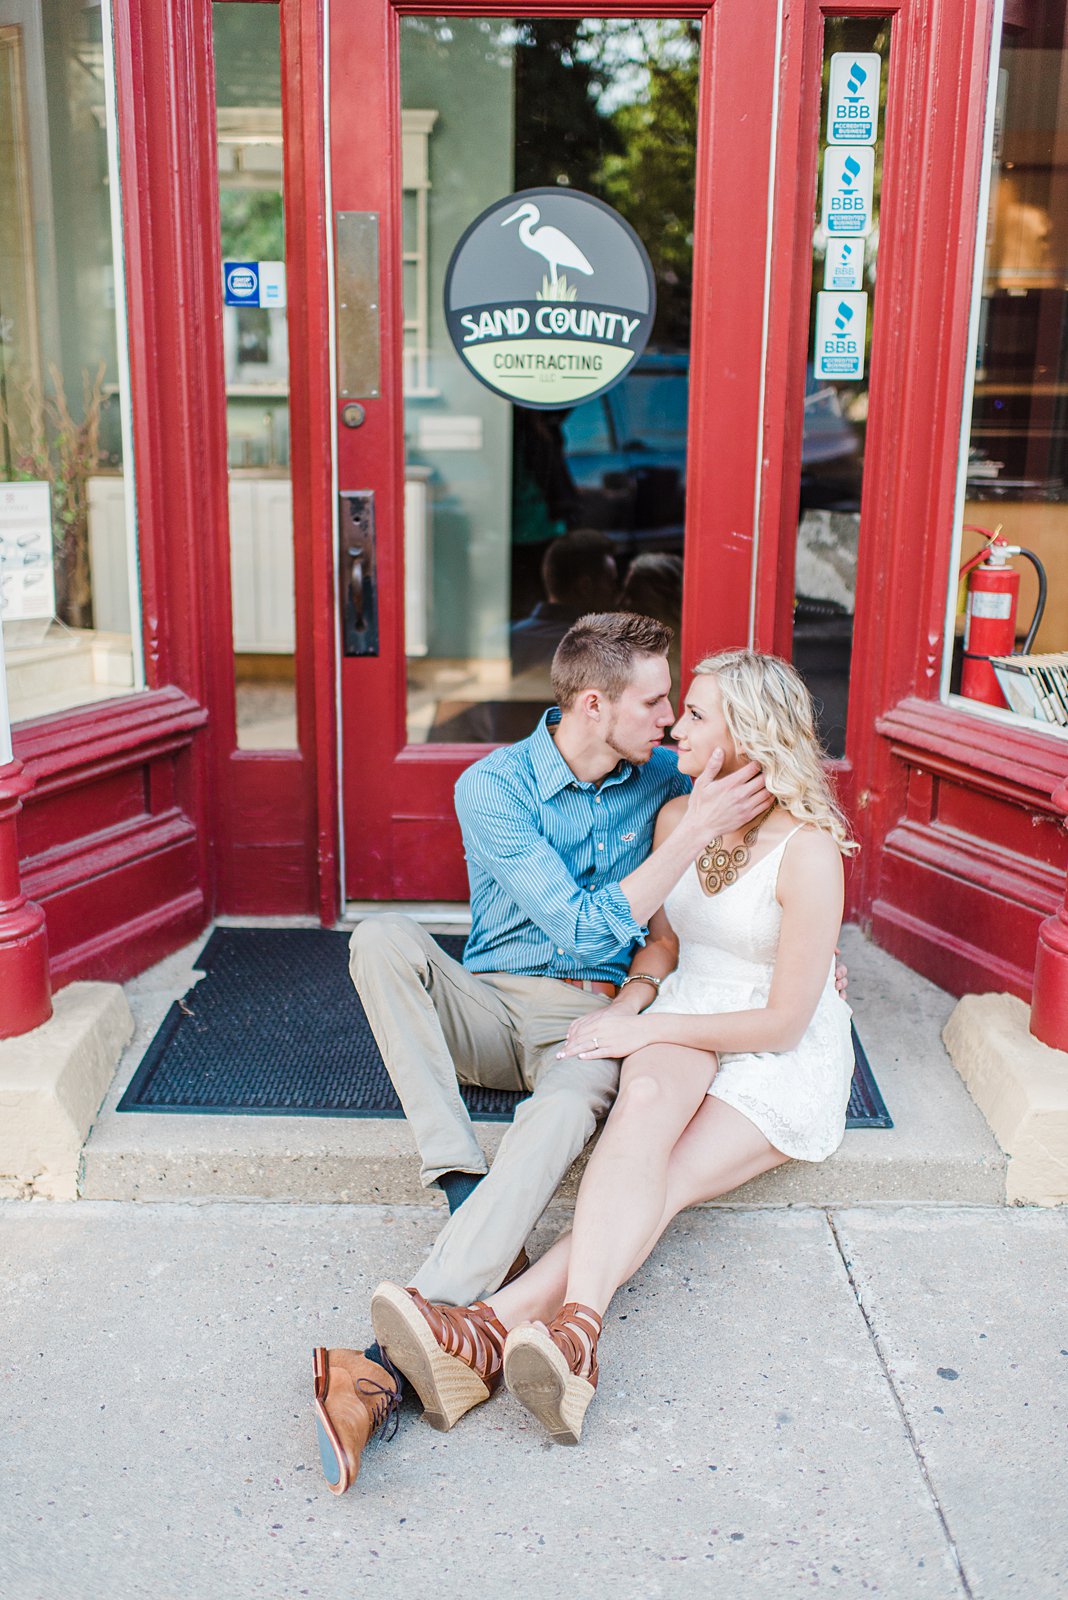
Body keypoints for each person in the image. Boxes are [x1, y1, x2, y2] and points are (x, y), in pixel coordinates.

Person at [312, 614, 773, 1491]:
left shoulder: (667, 774)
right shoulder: (493, 787)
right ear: (593, 704)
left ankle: (379, 1362)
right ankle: (460, 1185)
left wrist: (804, 910)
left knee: (566, 1107)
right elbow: (576, 922)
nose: (671, 719)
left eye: (676, 702)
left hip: (592, 1020)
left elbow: (774, 784)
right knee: (380, 939)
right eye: (655, 699)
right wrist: (685, 837)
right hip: (490, 1001)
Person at [368, 649, 856, 1447]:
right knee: (639, 1120)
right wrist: (633, 1005)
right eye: (672, 707)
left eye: (695, 714)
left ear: (747, 734)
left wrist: (646, 1026)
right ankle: (556, 1343)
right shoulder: (675, 813)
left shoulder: (807, 850)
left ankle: (506, 1330)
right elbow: (660, 945)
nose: (673, 726)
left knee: (664, 1180)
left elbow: (782, 1024)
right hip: (685, 1003)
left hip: (771, 1043)